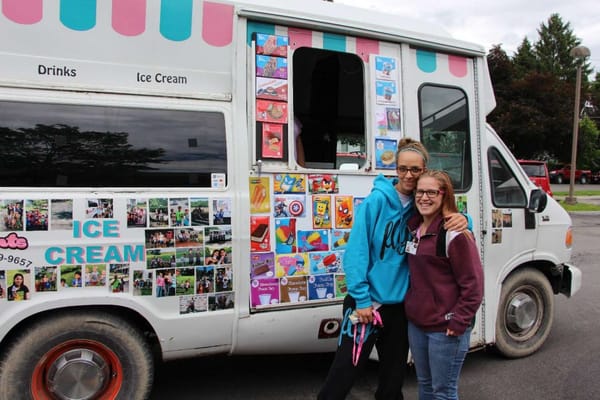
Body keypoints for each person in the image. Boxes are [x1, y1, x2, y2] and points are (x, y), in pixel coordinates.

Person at [318, 138, 469, 400]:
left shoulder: (423, 204)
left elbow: (450, 220)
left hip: (400, 309)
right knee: (344, 372)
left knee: (392, 378)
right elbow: (356, 254)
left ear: (425, 170)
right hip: (366, 305)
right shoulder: (376, 201)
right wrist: (362, 300)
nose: (408, 176)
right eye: (402, 169)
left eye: (415, 170)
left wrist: (463, 219)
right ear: (395, 169)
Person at [405, 170, 483, 400]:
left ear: (444, 195)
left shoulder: (455, 235)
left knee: (443, 392)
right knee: (425, 385)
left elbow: (474, 285)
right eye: (420, 192)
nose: (424, 197)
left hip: (445, 329)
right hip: (419, 324)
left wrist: (459, 322)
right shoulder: (414, 229)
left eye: (432, 192)